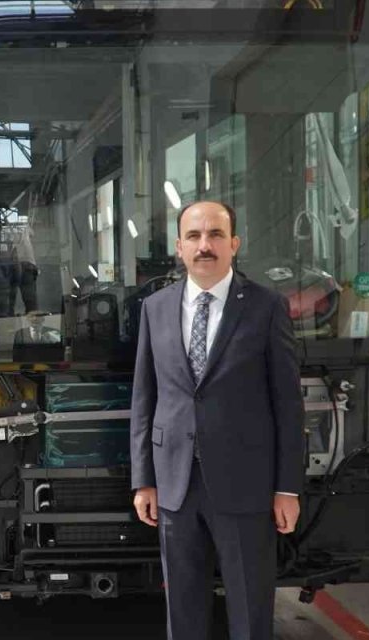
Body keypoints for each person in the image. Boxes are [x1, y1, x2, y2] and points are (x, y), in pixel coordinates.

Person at [130, 201, 305, 640]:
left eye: (215, 235)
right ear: (179, 247)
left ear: (234, 244)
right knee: (183, 607)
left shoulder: (266, 307)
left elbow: (287, 403)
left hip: (246, 483)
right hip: (175, 484)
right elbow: (145, 398)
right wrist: (144, 480)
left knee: (250, 606)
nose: (204, 245)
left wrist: (287, 487)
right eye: (194, 236)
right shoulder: (155, 308)